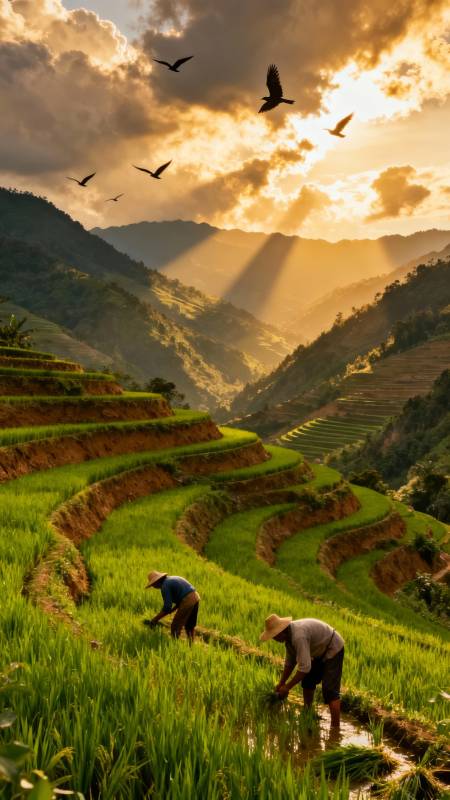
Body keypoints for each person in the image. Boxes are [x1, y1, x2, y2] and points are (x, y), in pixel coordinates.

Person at [260, 614, 344, 727]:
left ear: (280, 632)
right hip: (318, 651)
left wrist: (287, 687)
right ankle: (307, 713)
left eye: (274, 636)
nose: (274, 639)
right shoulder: (289, 639)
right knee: (308, 682)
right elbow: (290, 663)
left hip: (332, 647)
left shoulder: (298, 636)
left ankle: (335, 727)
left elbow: (304, 668)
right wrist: (281, 683)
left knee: (330, 691)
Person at [144, 571, 200, 643]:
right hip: (195, 597)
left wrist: (154, 620)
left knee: (175, 626)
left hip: (188, 600)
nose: (153, 587)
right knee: (190, 625)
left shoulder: (165, 586)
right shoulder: (171, 579)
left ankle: (174, 644)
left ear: (156, 582)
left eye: (153, 585)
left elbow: (167, 607)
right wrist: (172, 610)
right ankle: (191, 646)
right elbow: (181, 599)